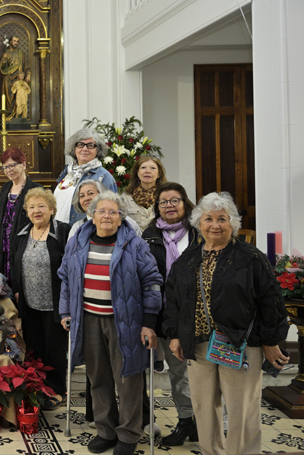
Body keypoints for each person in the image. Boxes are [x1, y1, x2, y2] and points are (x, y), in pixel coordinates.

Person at [164, 192, 289, 455]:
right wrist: (175, 335)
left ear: (232, 223)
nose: (215, 225)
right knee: (204, 406)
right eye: (208, 219)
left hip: (240, 344)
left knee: (242, 406)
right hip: (198, 345)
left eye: (222, 218)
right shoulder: (187, 259)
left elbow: (271, 299)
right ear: (199, 224)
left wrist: (270, 340)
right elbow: (173, 300)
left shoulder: (250, 258)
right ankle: (212, 451)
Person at [59, 191, 162, 455]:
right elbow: (66, 279)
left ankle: (128, 435)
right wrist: (64, 312)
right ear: (91, 216)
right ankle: (105, 430)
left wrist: (149, 323)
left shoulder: (135, 244)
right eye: (101, 211)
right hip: (88, 319)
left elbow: (152, 282)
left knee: (128, 380)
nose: (106, 215)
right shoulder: (77, 242)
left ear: (120, 218)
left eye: (113, 212)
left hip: (126, 322)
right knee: (98, 378)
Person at [140, 182, 199, 446]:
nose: (169, 206)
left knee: (203, 372)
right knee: (178, 371)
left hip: (198, 312)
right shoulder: (149, 235)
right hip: (166, 313)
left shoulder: (199, 232)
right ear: (157, 208)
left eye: (175, 200)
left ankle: (206, 421)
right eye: (164, 202)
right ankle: (187, 421)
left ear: (185, 203)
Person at [10, 187, 70, 409]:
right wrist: (16, 290)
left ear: (52, 209)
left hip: (54, 302)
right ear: (26, 211)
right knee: (34, 346)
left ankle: (56, 391)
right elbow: (13, 265)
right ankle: (36, 387)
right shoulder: (21, 234)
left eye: (41, 206)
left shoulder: (62, 232)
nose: (36, 211)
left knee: (54, 348)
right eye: (32, 207)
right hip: (29, 301)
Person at [0, 147, 40, 282]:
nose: (9, 170)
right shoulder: (5, 187)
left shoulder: (35, 189)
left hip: (23, 244)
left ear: (24, 164)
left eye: (13, 165)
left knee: (21, 282)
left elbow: (40, 222)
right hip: (4, 244)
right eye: (5, 167)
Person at [53, 128, 117, 225]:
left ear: (98, 150)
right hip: (58, 230)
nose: (85, 149)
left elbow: (113, 210)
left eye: (90, 145)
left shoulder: (104, 177)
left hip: (82, 232)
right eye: (80, 144)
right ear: (74, 149)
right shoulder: (67, 172)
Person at [120, 156, 167, 232]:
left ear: (159, 174)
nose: (147, 171)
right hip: (134, 242)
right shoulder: (125, 198)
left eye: (152, 168)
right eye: (143, 167)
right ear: (137, 173)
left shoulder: (166, 196)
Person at [0, 36, 29, 118]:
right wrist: (4, 59)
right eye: (14, 41)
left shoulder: (21, 53)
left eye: (17, 41)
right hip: (8, 78)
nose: (16, 43)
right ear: (11, 42)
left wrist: (28, 74)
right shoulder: (7, 53)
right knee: (8, 96)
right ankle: (9, 114)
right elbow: (3, 67)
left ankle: (17, 115)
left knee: (19, 98)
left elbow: (26, 66)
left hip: (18, 79)